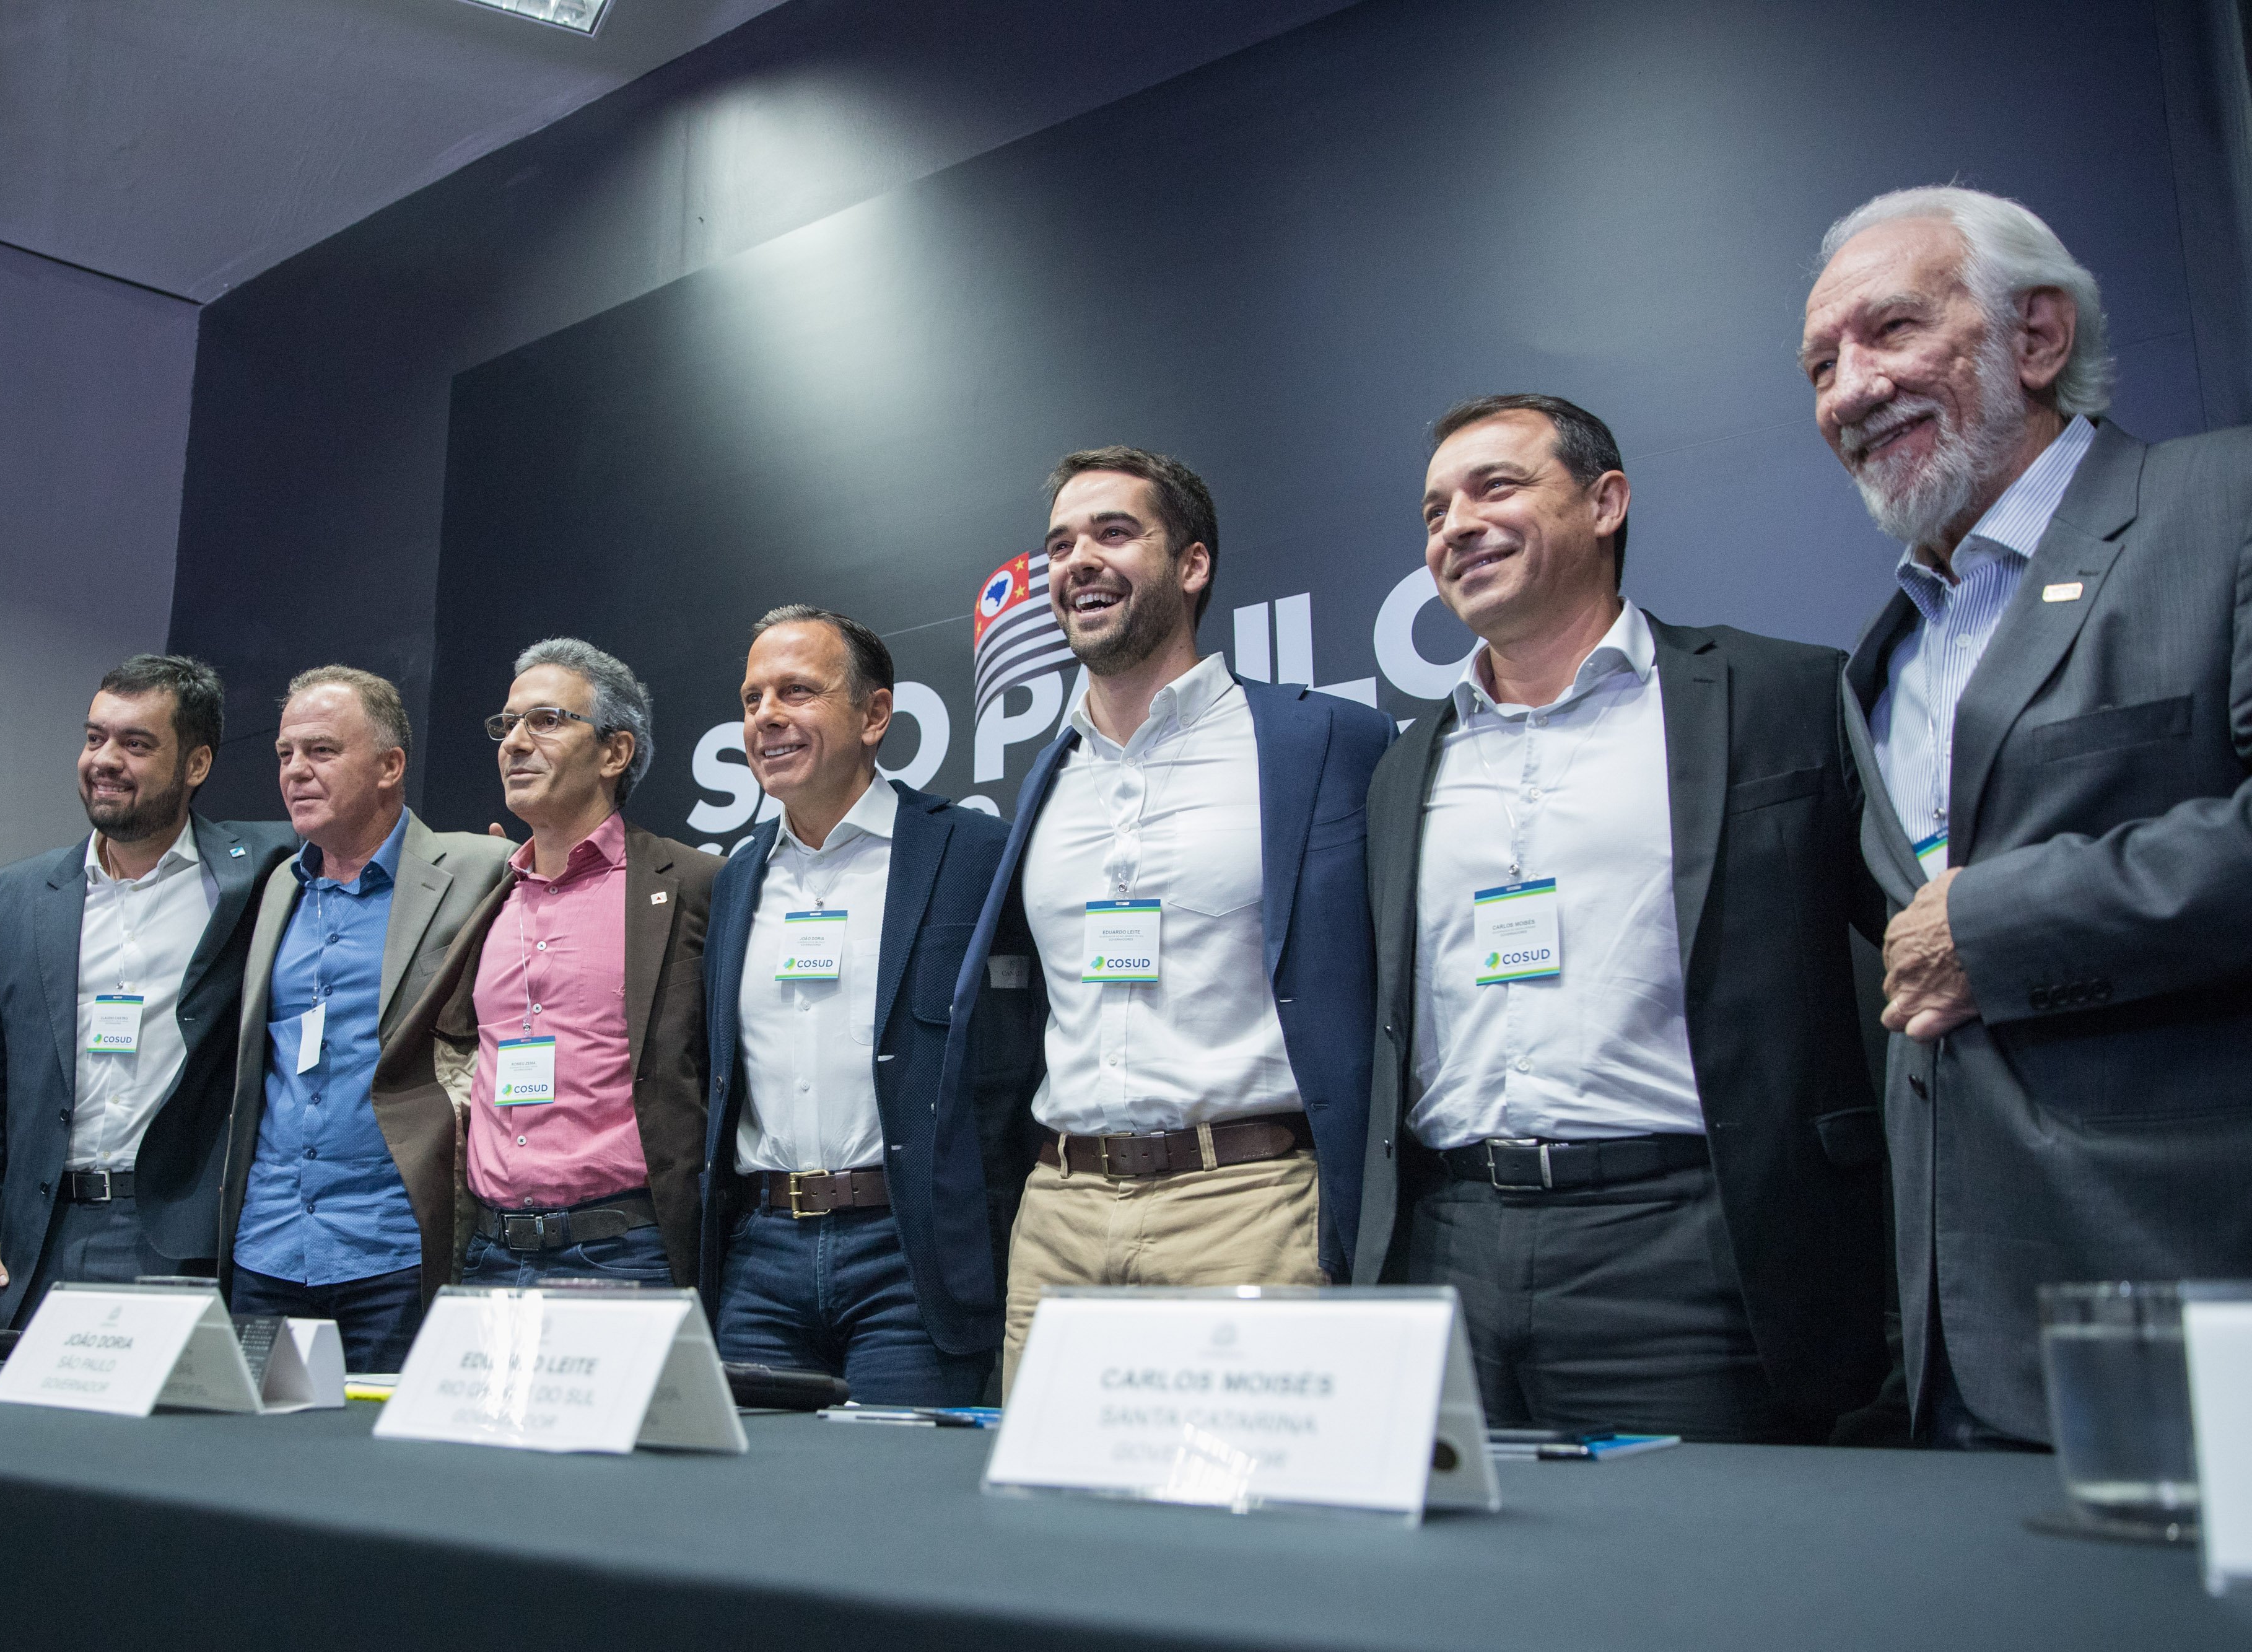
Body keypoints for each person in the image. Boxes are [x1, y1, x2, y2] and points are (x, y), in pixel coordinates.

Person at [1347, 395, 1888, 1443]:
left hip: (1689, 1243)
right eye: (1434, 509)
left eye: (1495, 487)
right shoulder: (1401, 764)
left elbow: (1916, 932)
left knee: (1687, 1588)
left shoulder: (1779, 695)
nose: (1456, 524)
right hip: (1450, 1243)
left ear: (1607, 502)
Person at [1804, 186, 2252, 1448]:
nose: (1846, 390)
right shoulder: (1876, 655)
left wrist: (1999, 922)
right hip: (1957, 1333)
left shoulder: (2219, 505)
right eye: (1820, 365)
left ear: (2036, 339)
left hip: (2185, 1285)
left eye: (1889, 331)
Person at [946, 445, 1392, 1388]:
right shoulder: (1046, 776)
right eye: (1060, 543)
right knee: (1047, 1521)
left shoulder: (1320, 741)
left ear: (1192, 565)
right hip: (1060, 1216)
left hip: (1248, 1204)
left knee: (1257, 1519)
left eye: (1115, 532)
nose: (1077, 560)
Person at [699, 606, 1042, 1403]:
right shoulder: (735, 881)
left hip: (909, 1255)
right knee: (751, 1511)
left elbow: (1022, 1058)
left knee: (898, 1506)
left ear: (875, 715)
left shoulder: (972, 853)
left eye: (796, 692)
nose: (766, 719)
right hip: (759, 1261)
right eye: (752, 700)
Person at [0, 655, 294, 1329]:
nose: (105, 759)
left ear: (196, 765)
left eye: (136, 744)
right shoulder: (14, 896)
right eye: (94, 737)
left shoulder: (264, 871)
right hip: (38, 1239)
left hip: (180, 1235)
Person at [373, 640, 719, 1294]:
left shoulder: (690, 883)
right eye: (507, 724)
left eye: (548, 720)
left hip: (624, 1250)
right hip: (488, 1254)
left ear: (615, 753)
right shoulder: (486, 892)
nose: (515, 742)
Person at [215, 668, 510, 1371]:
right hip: (270, 1246)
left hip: (394, 1250)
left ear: (389, 766)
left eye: (320, 751)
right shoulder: (275, 887)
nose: (295, 772)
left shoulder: (482, 868)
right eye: (285, 754)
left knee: (380, 1476)